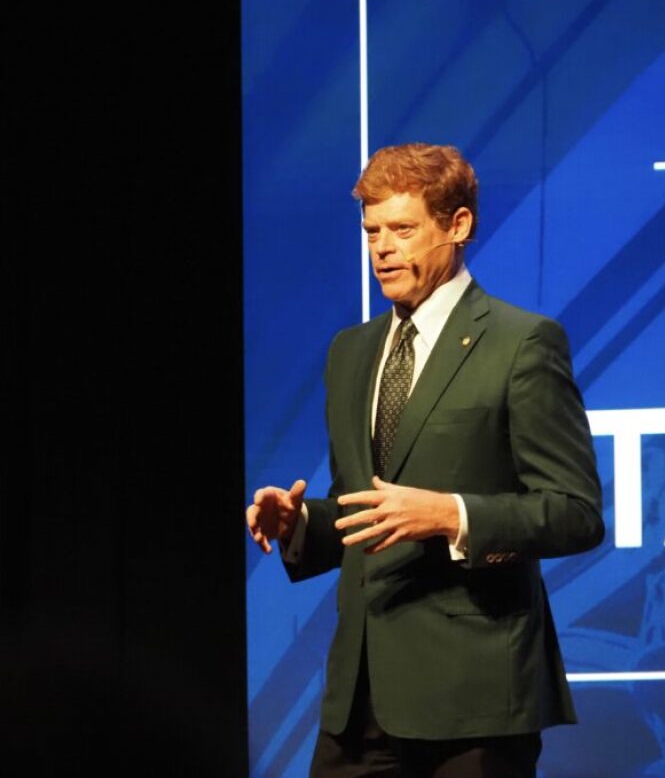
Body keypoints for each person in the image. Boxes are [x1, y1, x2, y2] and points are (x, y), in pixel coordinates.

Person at [246, 143, 604, 777]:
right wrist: (300, 524)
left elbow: (575, 514)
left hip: (475, 696)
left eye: (402, 229)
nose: (382, 248)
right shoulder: (349, 353)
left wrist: (451, 515)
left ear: (458, 226)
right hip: (360, 697)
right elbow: (371, 511)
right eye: (371, 231)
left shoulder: (522, 344)